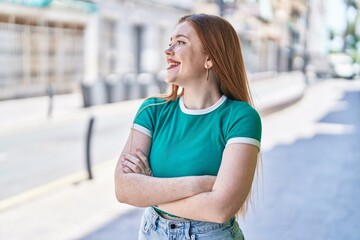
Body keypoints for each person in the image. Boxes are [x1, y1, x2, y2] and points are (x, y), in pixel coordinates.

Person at [114, 13, 262, 240]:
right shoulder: (151, 110)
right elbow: (124, 189)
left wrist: (148, 187)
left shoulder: (241, 118)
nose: (168, 50)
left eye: (180, 42)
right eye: (170, 42)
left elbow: (219, 209)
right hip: (153, 232)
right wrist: (200, 184)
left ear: (210, 58)